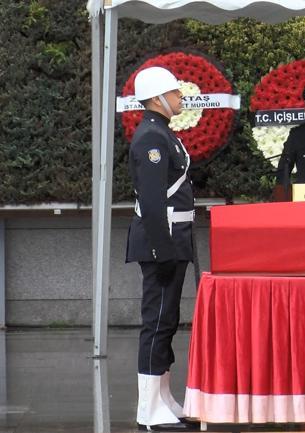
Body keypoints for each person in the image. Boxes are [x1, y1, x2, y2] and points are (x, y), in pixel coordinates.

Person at [126, 66, 196, 431]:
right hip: (161, 239)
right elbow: (153, 203)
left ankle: (164, 397)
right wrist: (162, 251)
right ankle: (148, 409)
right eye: (175, 92)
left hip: (172, 237)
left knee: (166, 321)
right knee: (155, 322)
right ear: (157, 98)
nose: (181, 97)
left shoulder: (162, 133)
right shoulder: (151, 139)